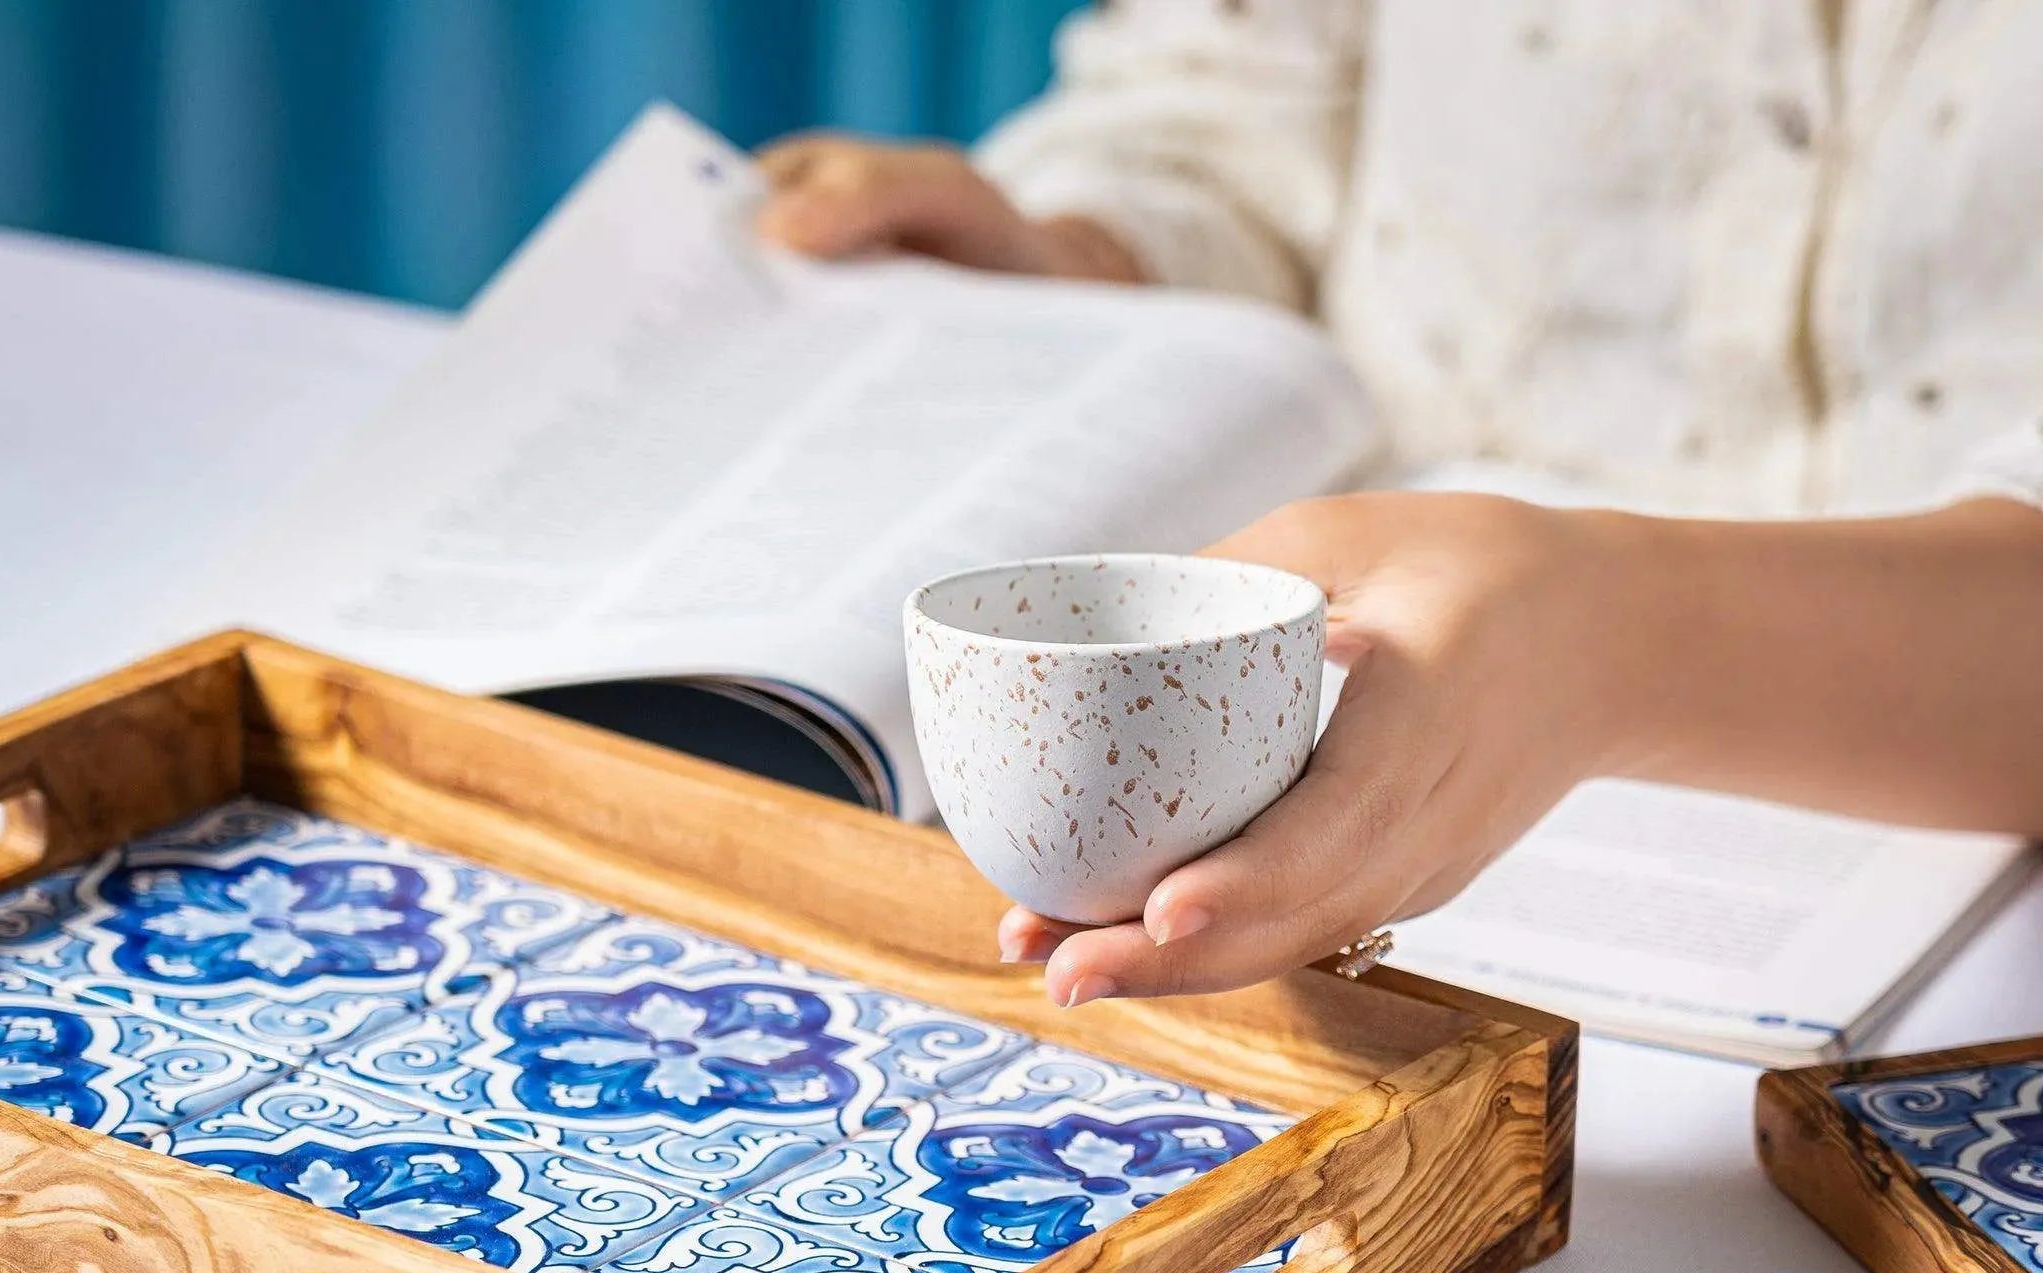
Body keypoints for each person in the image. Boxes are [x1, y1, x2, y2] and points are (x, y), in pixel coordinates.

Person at [757, 1, 2043, 1008]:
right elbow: (1233, 116)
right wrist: (1078, 261)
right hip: (1383, 746)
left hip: (1975, 887)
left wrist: (1608, 641)